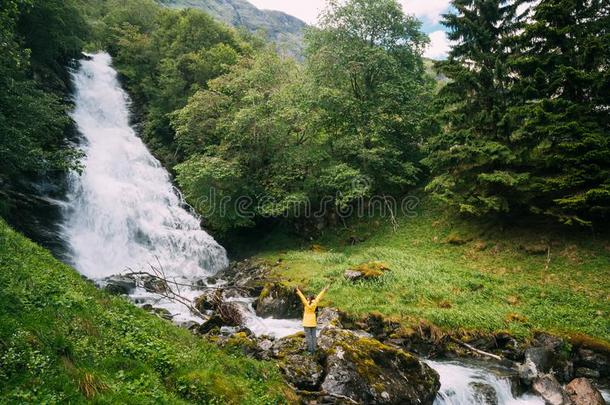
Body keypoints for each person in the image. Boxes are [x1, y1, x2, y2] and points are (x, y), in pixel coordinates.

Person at [295, 285, 329, 354]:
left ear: (309, 298)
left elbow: (302, 297)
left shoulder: (306, 303)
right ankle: (314, 350)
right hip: (313, 322)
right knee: (313, 336)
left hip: (306, 323)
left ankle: (310, 351)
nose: (306, 297)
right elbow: (319, 296)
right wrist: (324, 290)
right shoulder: (315, 302)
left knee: (308, 337)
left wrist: (298, 291)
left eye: (307, 297)